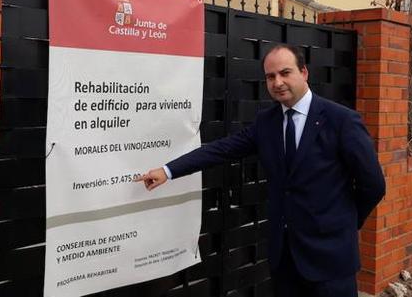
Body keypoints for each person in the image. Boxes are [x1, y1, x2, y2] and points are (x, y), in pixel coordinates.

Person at [136, 44, 386, 297]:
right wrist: (168, 171)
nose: (277, 82)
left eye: (285, 73)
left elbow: (373, 185)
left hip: (331, 258)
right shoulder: (267, 122)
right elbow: (222, 149)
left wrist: (345, 222)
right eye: (270, 76)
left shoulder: (341, 120)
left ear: (304, 73)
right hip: (284, 259)